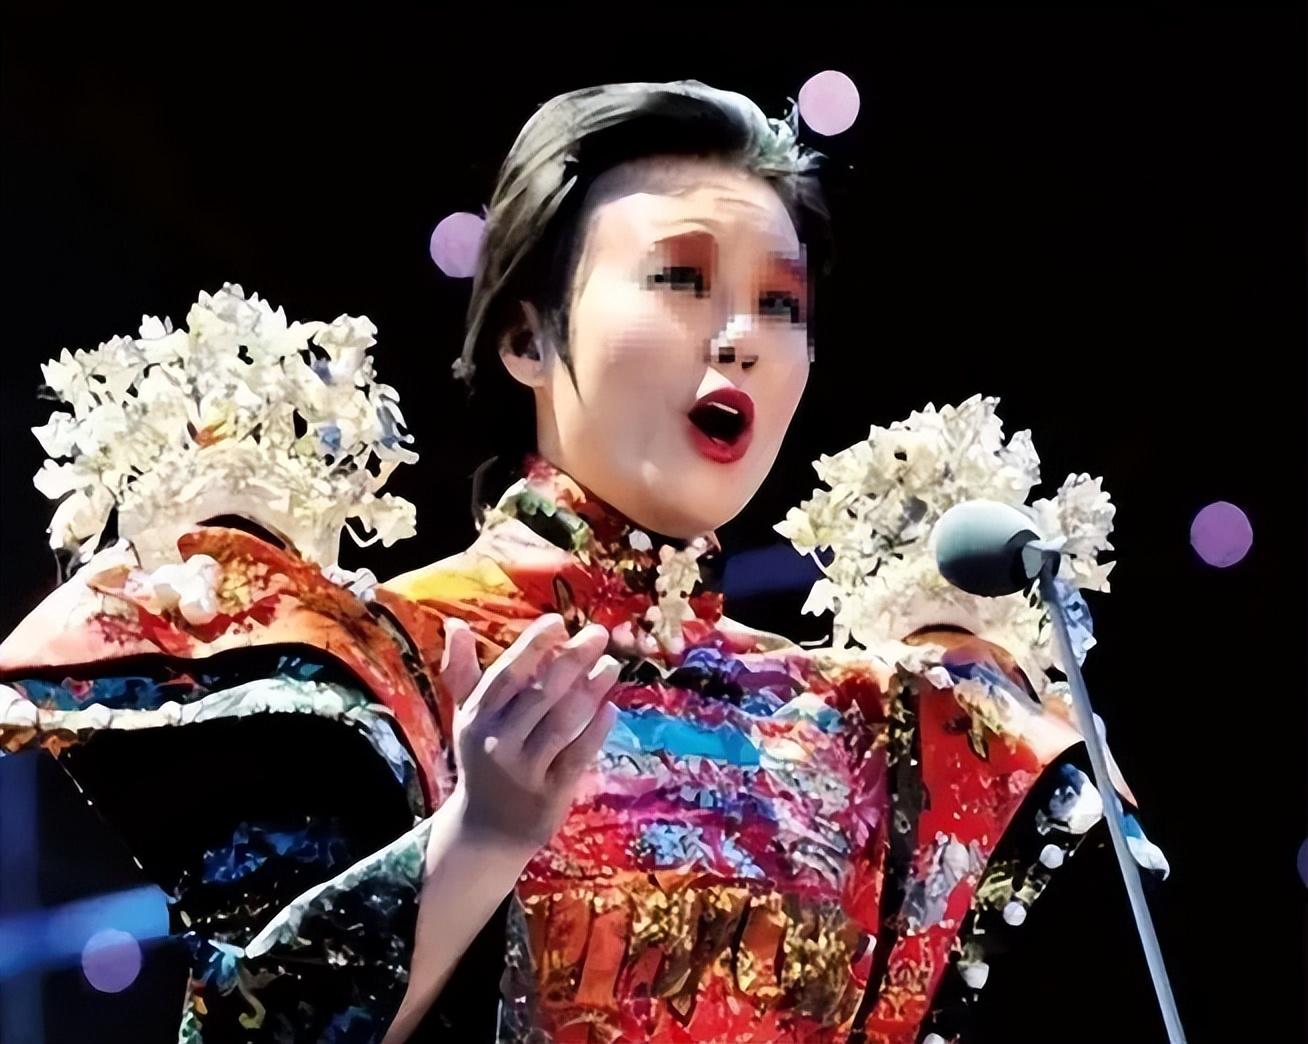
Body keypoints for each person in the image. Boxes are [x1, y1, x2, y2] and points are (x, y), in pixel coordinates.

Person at [0, 81, 1151, 1044]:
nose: (742, 337)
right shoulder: (386, 663)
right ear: (528, 335)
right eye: (682, 280)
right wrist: (480, 838)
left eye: (779, 303)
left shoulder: (864, 730)